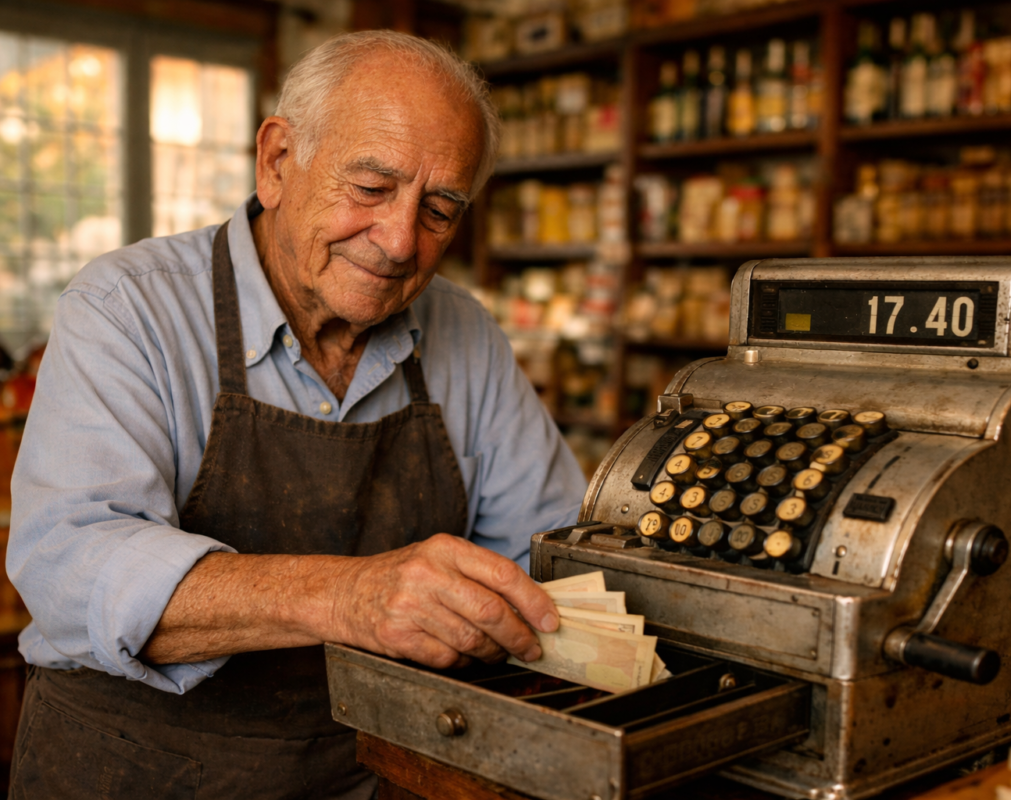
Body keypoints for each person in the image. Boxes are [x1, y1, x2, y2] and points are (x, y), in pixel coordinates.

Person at [6, 30, 587, 799]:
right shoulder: (126, 307)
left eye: (440, 209)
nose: (400, 240)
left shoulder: (464, 333)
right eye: (371, 188)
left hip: (376, 772)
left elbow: (551, 559)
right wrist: (349, 596)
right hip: (139, 770)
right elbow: (71, 568)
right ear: (277, 161)